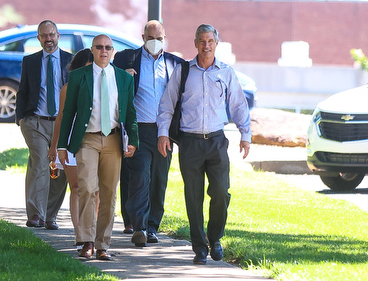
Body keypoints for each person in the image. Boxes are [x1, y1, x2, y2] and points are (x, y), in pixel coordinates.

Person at [156, 24, 251, 265]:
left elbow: (239, 105)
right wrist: (163, 134)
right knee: (193, 196)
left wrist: (245, 134)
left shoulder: (226, 72)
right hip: (190, 143)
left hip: (217, 141)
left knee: (221, 192)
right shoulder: (183, 71)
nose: (205, 45)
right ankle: (199, 247)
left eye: (210, 41)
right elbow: (167, 104)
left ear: (216, 43)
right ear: (195, 43)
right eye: (201, 41)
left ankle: (215, 238)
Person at [57, 35, 138, 261]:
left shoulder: (123, 78)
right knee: (86, 187)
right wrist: (62, 145)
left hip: (113, 140)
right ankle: (87, 241)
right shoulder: (78, 77)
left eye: (108, 48)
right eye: (99, 47)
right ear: (92, 50)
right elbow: (68, 114)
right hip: (87, 140)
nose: (104, 51)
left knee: (109, 193)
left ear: (113, 52)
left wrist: (133, 140)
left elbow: (130, 112)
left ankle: (103, 245)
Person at [114, 20, 185, 247]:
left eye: (160, 38)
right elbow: (112, 82)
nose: (155, 42)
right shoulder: (127, 58)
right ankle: (140, 227)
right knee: (140, 176)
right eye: (151, 38)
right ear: (143, 37)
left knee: (158, 180)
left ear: (165, 38)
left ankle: (153, 227)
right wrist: (123, 75)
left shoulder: (176, 64)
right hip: (138, 129)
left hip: (164, 132)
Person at [16, 20, 72, 230]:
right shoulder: (30, 61)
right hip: (36, 122)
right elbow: (23, 91)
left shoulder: (70, 60)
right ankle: (36, 215)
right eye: (43, 35)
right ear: (38, 38)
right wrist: (21, 119)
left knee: (59, 168)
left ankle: (50, 216)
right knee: (40, 162)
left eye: (51, 34)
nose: (48, 39)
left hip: (63, 123)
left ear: (58, 35)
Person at [47, 48, 97, 246]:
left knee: (95, 190)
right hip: (71, 142)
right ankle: (79, 232)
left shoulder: (105, 85)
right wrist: (54, 146)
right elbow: (61, 118)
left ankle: (91, 230)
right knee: (76, 187)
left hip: (96, 140)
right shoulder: (68, 88)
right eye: (86, 67)